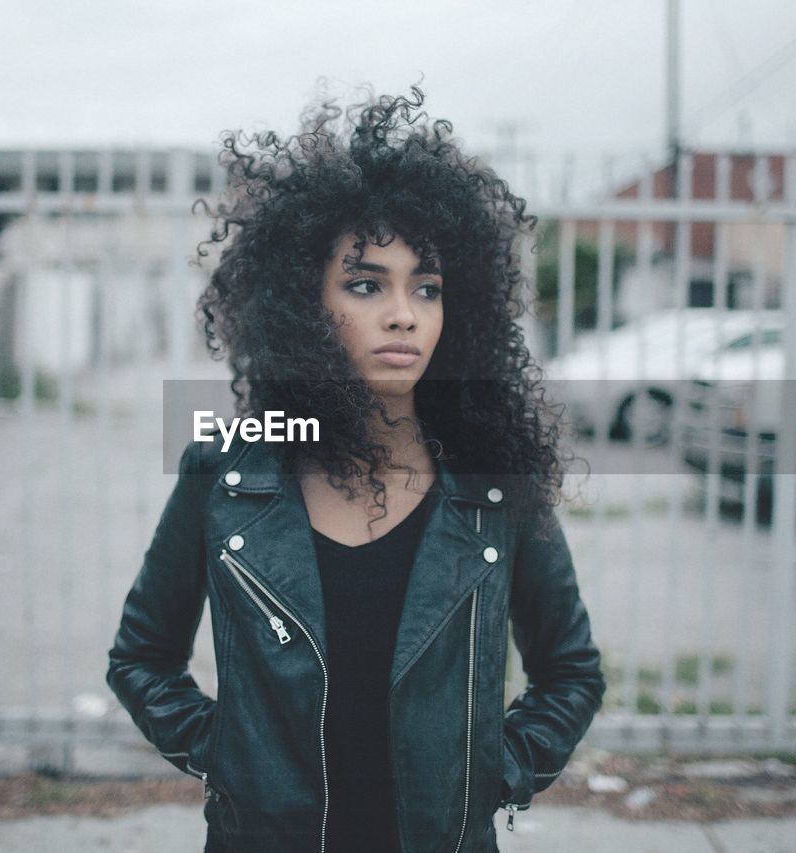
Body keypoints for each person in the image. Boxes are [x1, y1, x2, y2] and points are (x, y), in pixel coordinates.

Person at [107, 86, 605, 853]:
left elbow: (570, 671)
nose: (403, 313)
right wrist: (226, 754)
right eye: (366, 283)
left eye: (428, 287)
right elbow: (142, 657)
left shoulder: (493, 487)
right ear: (302, 303)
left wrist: (495, 772)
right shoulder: (225, 474)